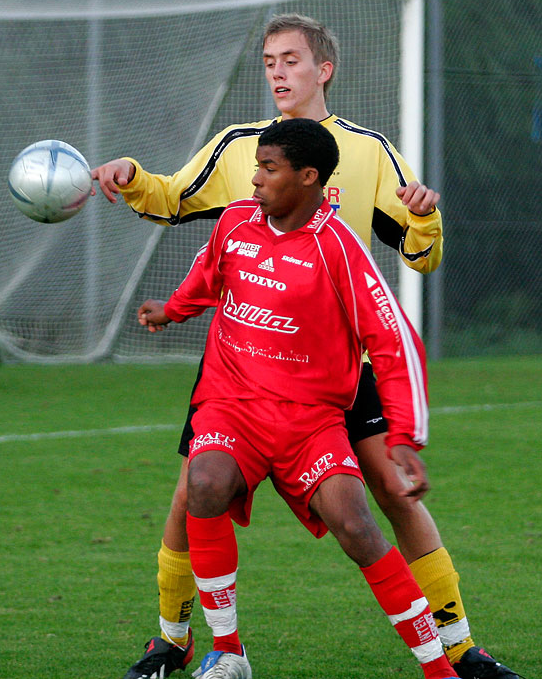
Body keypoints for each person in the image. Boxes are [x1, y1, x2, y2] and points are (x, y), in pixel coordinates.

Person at [92, 14, 518, 679]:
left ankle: (459, 648)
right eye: (267, 61)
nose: (277, 73)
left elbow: (418, 254)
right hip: (247, 372)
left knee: (392, 496)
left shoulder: (370, 151)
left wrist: (425, 216)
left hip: (346, 370)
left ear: (323, 69)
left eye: (289, 60)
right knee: (192, 492)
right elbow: (173, 199)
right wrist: (132, 175)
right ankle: (174, 640)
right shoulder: (239, 146)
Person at [137, 117, 461, 679]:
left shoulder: (339, 249)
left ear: (309, 177)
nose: (256, 179)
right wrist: (173, 309)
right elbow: (210, 275)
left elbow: (395, 342)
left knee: (358, 525)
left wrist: (404, 435)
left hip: (312, 422)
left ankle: (440, 667)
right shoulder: (237, 221)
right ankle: (227, 651)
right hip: (232, 405)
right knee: (203, 484)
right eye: (257, 166)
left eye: (268, 168)